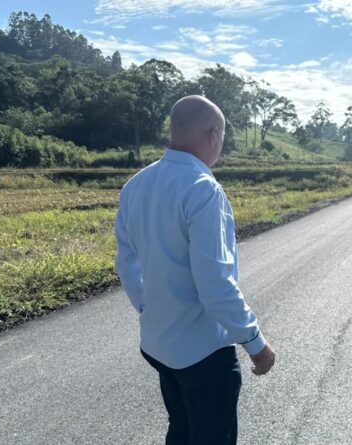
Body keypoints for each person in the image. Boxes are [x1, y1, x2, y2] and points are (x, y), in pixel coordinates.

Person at [115, 95, 275, 445]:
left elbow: (127, 265)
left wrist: (150, 308)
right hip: (203, 352)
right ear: (214, 133)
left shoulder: (135, 186)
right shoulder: (203, 190)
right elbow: (216, 284)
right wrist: (255, 344)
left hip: (158, 345)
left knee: (182, 429)